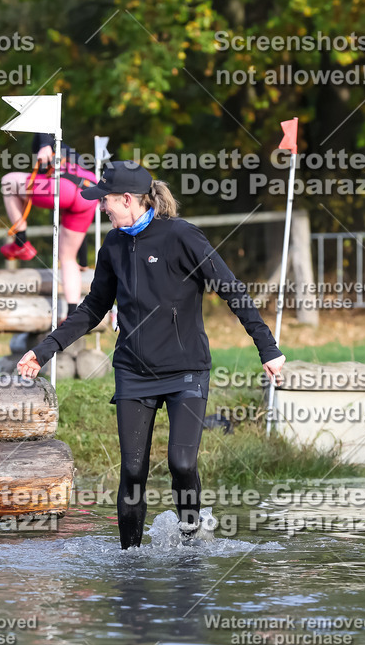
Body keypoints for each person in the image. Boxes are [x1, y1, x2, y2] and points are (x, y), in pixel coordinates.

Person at [16, 160, 286, 548]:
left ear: (128, 199)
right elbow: (92, 308)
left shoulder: (182, 237)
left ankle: (192, 539)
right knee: (133, 470)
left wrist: (267, 347)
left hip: (186, 369)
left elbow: (232, 289)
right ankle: (130, 559)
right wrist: (44, 352)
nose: (101, 208)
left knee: (181, 463)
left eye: (105, 201)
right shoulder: (113, 245)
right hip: (133, 371)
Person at [0, 133, 99, 319]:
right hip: (89, 192)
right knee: (68, 258)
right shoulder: (75, 156)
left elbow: (46, 129)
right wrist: (84, 261)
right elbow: (81, 232)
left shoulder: (49, 145)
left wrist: (44, 145)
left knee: (8, 181)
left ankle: (21, 242)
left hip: (66, 187)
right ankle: (72, 314)